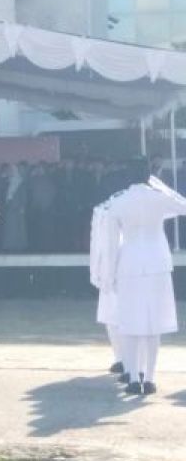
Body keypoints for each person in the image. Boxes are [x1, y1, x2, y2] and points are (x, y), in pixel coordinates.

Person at [102, 164, 186, 395]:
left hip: (128, 264)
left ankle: (131, 376)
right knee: (153, 324)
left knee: (129, 323)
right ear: (150, 177)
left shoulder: (118, 202)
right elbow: (184, 206)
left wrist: (108, 275)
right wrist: (163, 188)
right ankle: (148, 378)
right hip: (157, 264)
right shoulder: (158, 198)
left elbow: (110, 245)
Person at [89, 192, 125, 375]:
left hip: (124, 270)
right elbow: (97, 244)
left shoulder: (124, 210)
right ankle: (120, 358)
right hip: (107, 270)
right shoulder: (100, 211)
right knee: (110, 318)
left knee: (124, 317)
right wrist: (96, 270)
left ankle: (128, 359)